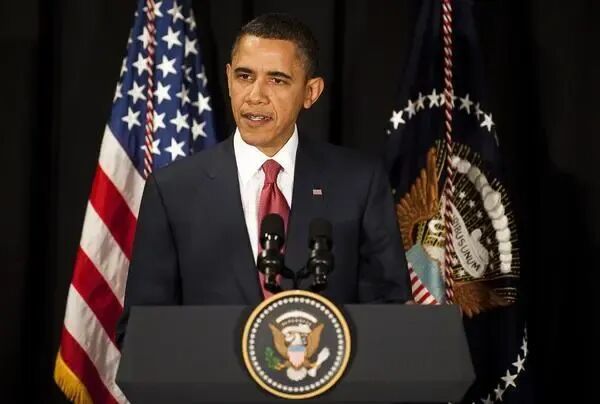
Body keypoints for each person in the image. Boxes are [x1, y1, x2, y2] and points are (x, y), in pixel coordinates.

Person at [116, 13, 411, 346]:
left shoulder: (359, 182)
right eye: (244, 76)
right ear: (228, 78)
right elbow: (142, 331)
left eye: (277, 80)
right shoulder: (172, 190)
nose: (255, 95)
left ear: (310, 92)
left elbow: (390, 315)